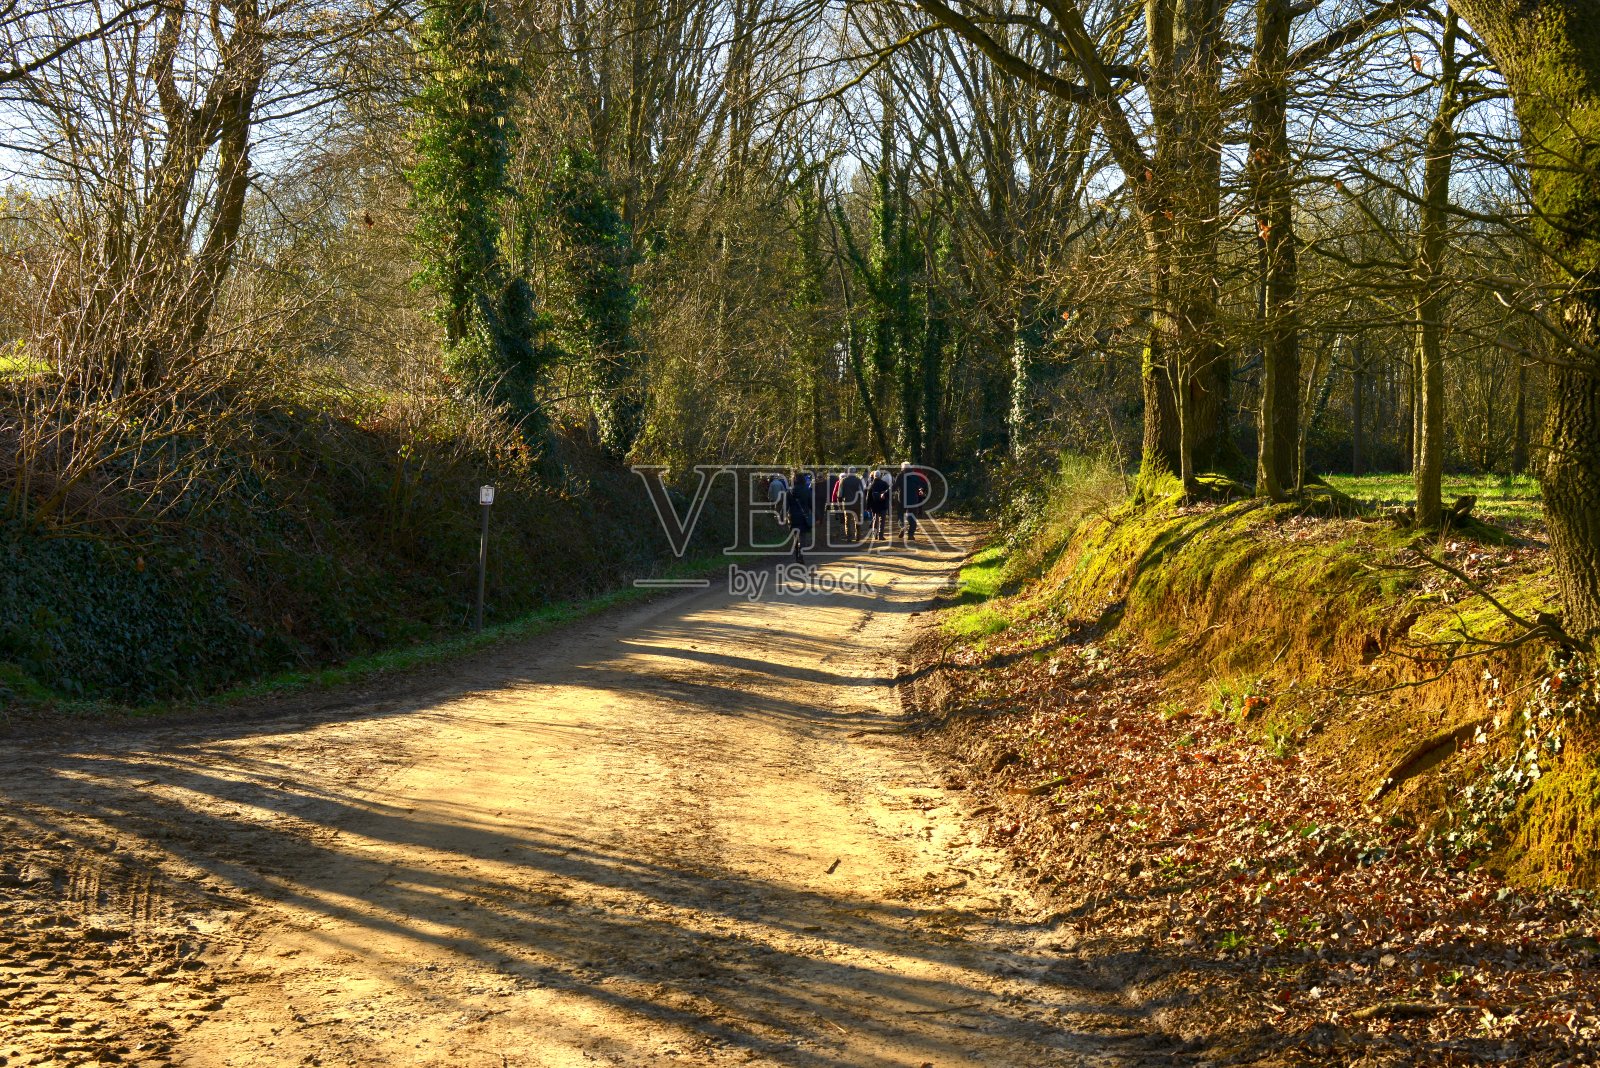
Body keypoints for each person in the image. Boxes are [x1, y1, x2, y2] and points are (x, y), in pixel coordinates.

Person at [785, 470, 813, 564]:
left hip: (793, 517)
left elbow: (785, 506)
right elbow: (811, 504)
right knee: (803, 536)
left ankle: (796, 554)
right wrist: (816, 515)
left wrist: (782, 516)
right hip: (803, 517)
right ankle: (801, 554)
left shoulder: (789, 491)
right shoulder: (807, 490)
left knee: (795, 537)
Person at [896, 460, 928, 541]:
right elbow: (920, 485)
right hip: (913, 499)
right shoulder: (915, 475)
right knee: (912, 516)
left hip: (902, 499)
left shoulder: (900, 475)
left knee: (900, 515)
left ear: (902, 468)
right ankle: (910, 534)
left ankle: (902, 526)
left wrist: (886, 493)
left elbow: (894, 486)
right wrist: (921, 490)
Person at [834, 466, 864, 541]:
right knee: (857, 519)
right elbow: (862, 493)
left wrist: (840, 504)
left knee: (848, 520)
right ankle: (858, 536)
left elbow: (840, 494)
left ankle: (849, 537)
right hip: (857, 503)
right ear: (855, 472)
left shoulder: (843, 480)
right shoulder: (858, 480)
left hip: (847, 503)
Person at [865, 468, 891, 540]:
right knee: (882, 520)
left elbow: (868, 497)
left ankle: (875, 534)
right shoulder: (884, 484)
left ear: (874, 476)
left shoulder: (871, 485)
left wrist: (867, 506)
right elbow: (888, 494)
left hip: (874, 505)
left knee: (874, 519)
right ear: (880, 476)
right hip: (883, 504)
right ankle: (881, 535)